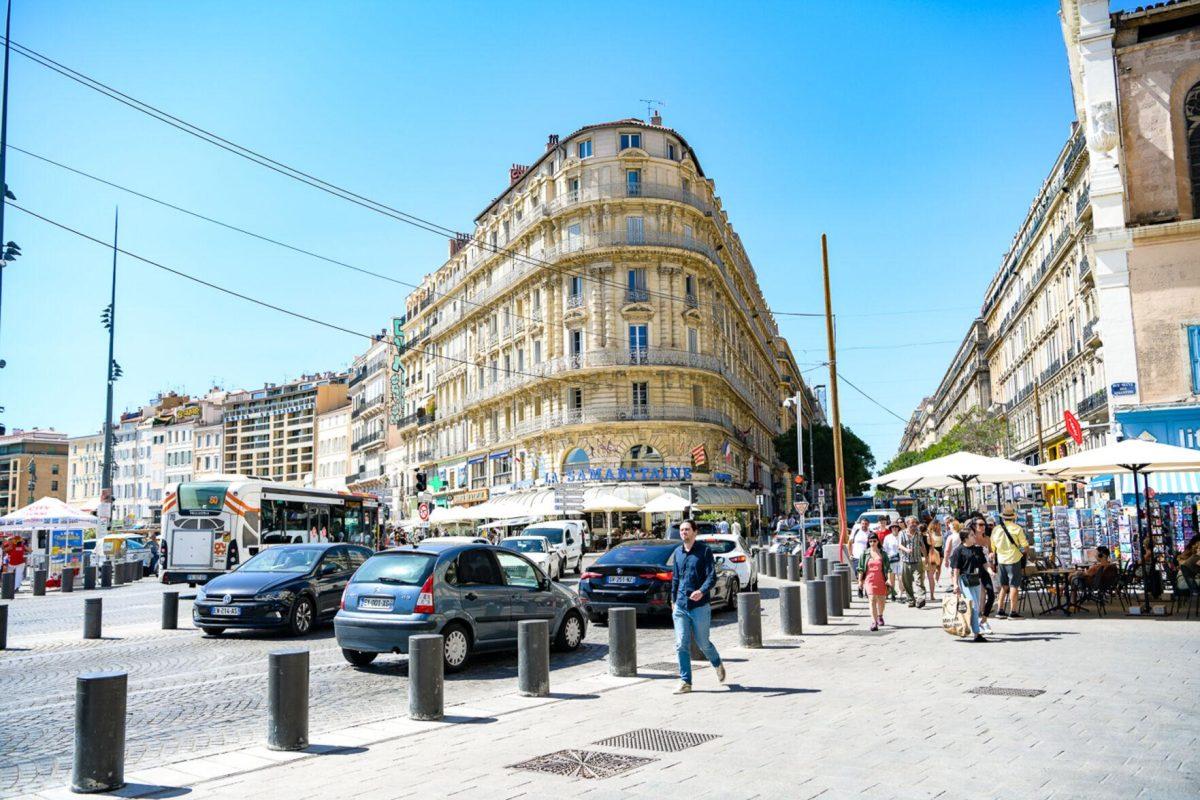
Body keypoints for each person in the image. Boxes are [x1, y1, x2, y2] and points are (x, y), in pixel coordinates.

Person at [670, 518, 726, 694]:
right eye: (681, 530)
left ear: (695, 532)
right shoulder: (678, 553)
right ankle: (686, 681)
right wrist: (673, 601)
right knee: (681, 644)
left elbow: (712, 577)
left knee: (703, 643)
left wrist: (701, 591)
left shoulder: (704, 552)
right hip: (680, 605)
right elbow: (676, 579)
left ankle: (717, 663)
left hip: (699, 605)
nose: (683, 532)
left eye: (687, 529)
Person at [951, 523, 990, 642]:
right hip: (965, 581)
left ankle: (971, 630)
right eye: (972, 535)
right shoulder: (959, 551)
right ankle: (977, 633)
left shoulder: (977, 549)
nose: (975, 537)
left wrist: (990, 571)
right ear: (965, 538)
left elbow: (984, 563)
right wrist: (955, 584)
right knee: (973, 606)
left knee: (976, 607)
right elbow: (956, 570)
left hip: (976, 580)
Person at [991, 504, 1030, 620]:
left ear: (1003, 517)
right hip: (1014, 559)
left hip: (1001, 560)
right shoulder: (1017, 528)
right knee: (1014, 586)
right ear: (1013, 517)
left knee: (1003, 586)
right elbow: (1025, 546)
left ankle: (1000, 610)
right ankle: (1013, 611)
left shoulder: (996, 529)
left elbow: (993, 547)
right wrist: (1023, 552)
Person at [857, 531, 891, 630]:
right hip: (869, 579)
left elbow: (888, 568)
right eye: (870, 541)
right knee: (872, 599)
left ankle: (880, 616)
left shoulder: (883, 554)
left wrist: (889, 579)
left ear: (878, 541)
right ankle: (874, 622)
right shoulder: (865, 554)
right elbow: (860, 569)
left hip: (881, 579)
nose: (872, 543)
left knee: (881, 600)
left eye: (874, 541)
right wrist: (860, 581)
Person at [970, 517, 996, 634]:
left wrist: (991, 555)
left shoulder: (987, 539)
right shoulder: (971, 538)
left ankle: (984, 620)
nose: (983, 526)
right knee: (974, 598)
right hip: (973, 570)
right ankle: (975, 624)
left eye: (984, 524)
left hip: (985, 568)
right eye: (980, 525)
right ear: (974, 526)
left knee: (991, 594)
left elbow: (990, 550)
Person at [898, 516, 927, 608]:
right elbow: (899, 545)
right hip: (905, 561)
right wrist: (906, 550)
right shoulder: (902, 533)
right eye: (912, 523)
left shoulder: (918, 533)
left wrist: (926, 557)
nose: (914, 525)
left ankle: (921, 599)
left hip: (917, 560)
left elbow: (922, 546)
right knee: (906, 582)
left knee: (919, 581)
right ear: (907, 523)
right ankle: (911, 600)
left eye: (915, 523)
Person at [849, 519, 871, 597]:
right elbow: (850, 543)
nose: (864, 525)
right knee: (859, 574)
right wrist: (850, 554)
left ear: (868, 525)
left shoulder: (870, 533)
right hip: (856, 557)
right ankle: (860, 587)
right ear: (860, 524)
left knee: (866, 574)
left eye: (866, 524)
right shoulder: (856, 532)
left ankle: (864, 590)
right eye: (863, 523)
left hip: (867, 557)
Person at [881, 522, 901, 601]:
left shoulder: (901, 536)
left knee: (900, 578)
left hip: (900, 560)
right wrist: (886, 557)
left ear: (898, 528)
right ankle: (892, 593)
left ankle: (900, 592)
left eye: (896, 527)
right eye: (893, 527)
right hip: (891, 560)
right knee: (891, 578)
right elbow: (884, 549)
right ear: (891, 529)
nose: (894, 528)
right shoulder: (887, 537)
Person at [924, 520, 943, 603]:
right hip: (932, 554)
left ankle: (936, 582)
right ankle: (931, 594)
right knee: (931, 575)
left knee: (938, 569)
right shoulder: (929, 533)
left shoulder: (941, 532)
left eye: (939, 524)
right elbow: (929, 543)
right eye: (937, 524)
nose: (938, 526)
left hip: (940, 553)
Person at [943, 520, 962, 587]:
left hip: (953, 558)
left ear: (953, 527)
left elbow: (947, 550)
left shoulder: (950, 537)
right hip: (961, 557)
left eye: (950, 526)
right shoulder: (961, 536)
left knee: (953, 574)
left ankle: (955, 587)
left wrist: (945, 560)